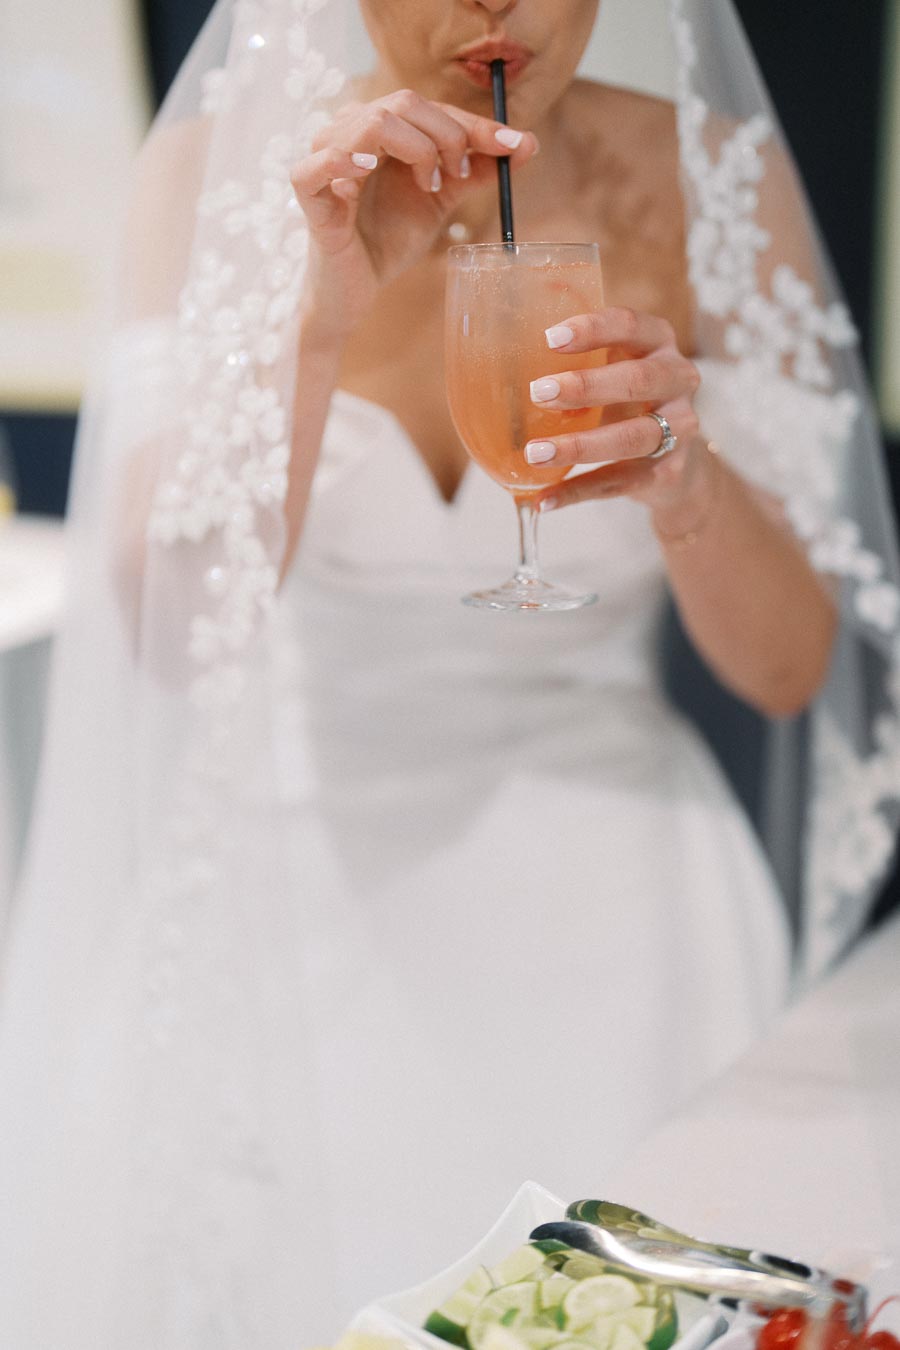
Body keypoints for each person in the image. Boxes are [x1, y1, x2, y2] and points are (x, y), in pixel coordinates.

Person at [0, 1, 898, 1346]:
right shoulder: (214, 172)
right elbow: (173, 640)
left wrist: (688, 484)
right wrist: (313, 329)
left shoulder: (712, 178)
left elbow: (788, 673)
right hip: (290, 922)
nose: (493, 7)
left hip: (623, 923)